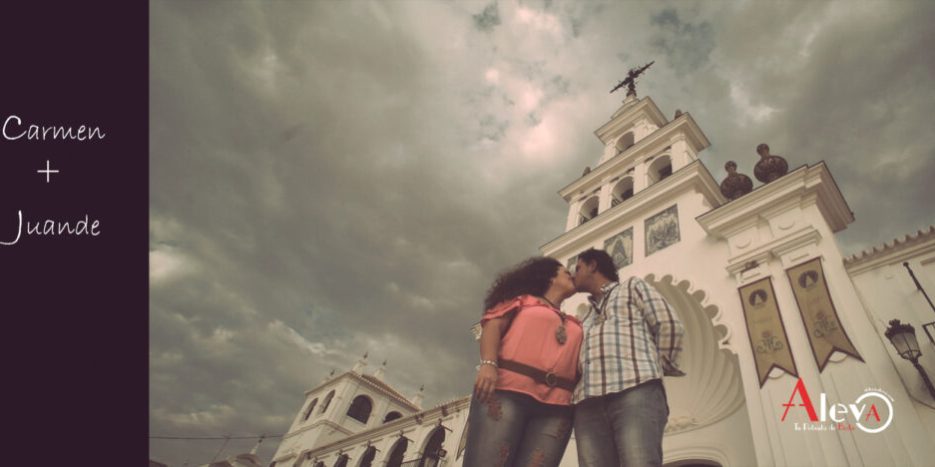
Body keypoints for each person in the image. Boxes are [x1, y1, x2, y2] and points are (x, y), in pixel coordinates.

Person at [463, 257, 582, 467]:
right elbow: (493, 325)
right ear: (549, 277)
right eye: (565, 272)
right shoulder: (522, 301)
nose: (571, 275)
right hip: (507, 392)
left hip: (558, 407)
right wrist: (489, 364)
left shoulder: (576, 322)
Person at [572, 248, 685, 467]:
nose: (573, 275)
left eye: (578, 268)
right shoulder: (585, 317)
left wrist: (652, 367)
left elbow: (669, 325)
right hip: (588, 403)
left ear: (593, 266)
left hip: (635, 391)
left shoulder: (632, 287)